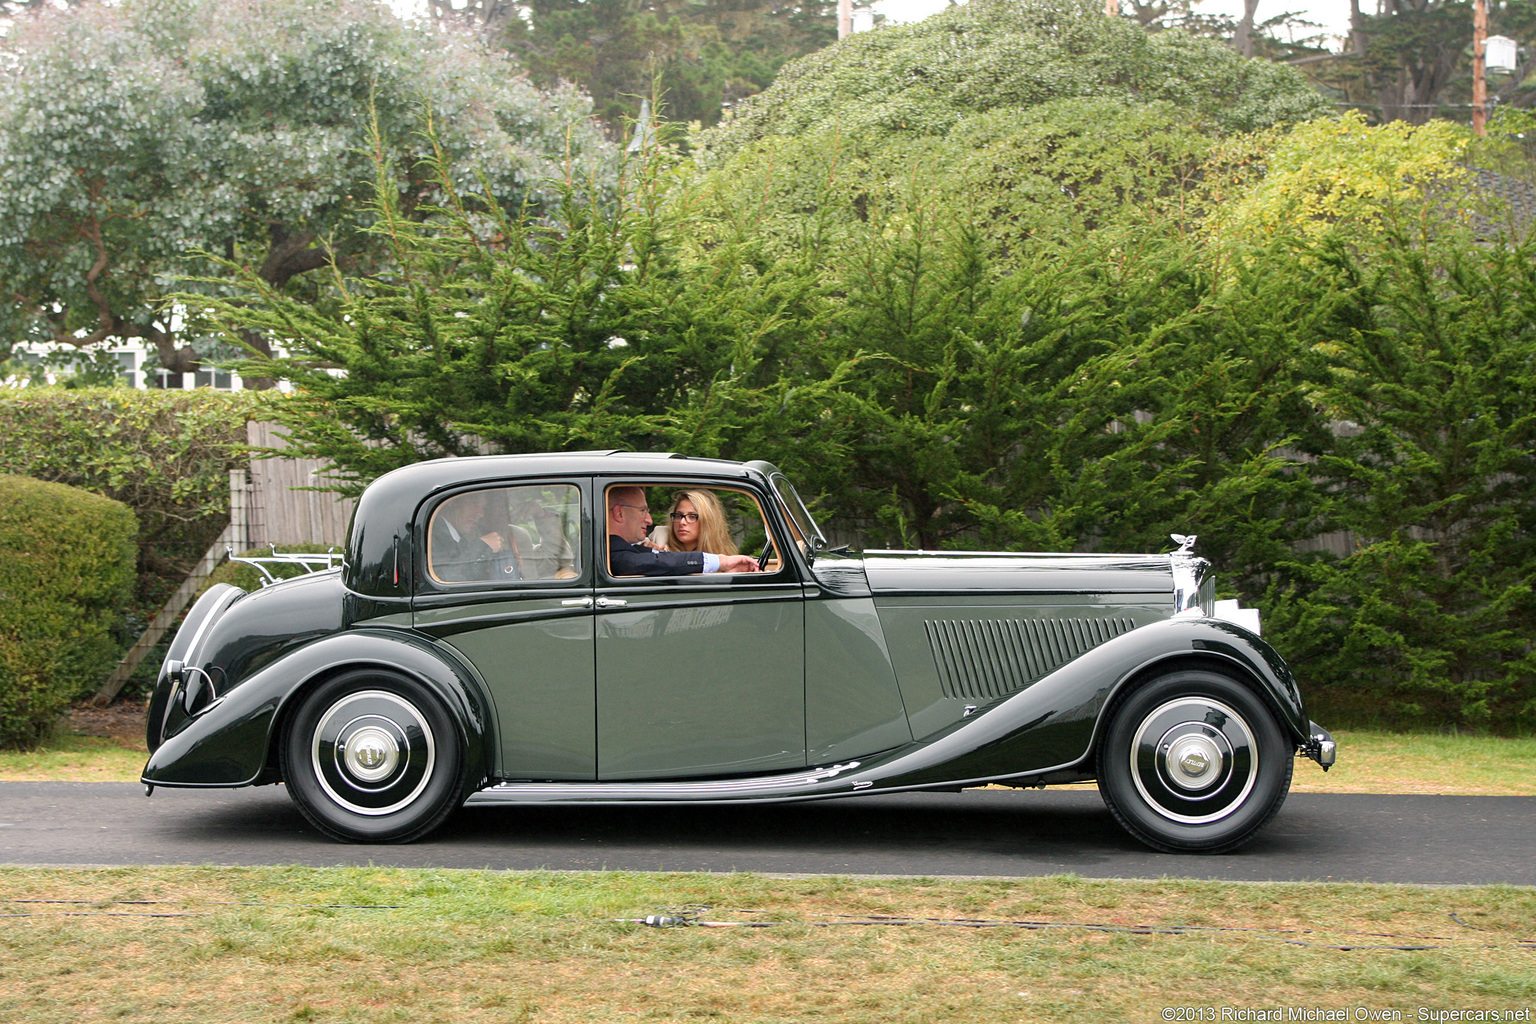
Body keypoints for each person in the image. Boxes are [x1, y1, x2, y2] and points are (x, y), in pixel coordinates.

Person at [607, 485, 759, 576]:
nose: (649, 520)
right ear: (619, 513)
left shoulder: (635, 550)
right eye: (643, 511)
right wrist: (722, 561)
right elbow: (658, 563)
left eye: (692, 516)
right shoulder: (613, 552)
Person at [430, 489, 521, 583]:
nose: (480, 513)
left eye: (483, 508)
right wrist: (483, 546)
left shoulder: (457, 537)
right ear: (452, 502)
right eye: (474, 503)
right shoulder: (432, 535)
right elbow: (444, 579)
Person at [657, 489, 738, 556]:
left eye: (692, 516)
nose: (682, 522)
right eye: (678, 515)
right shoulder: (659, 542)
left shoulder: (725, 560)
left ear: (707, 522)